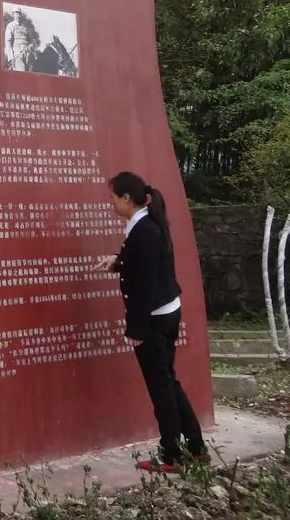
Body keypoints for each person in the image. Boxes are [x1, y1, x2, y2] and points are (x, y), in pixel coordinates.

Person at [95, 171, 207, 473]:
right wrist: (118, 261)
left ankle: (171, 455)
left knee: (161, 388)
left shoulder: (144, 229)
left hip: (154, 320)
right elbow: (144, 265)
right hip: (166, 312)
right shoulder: (147, 223)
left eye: (113, 197)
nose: (111, 203)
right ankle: (195, 447)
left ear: (126, 198)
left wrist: (136, 329)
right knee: (168, 381)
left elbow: (145, 284)